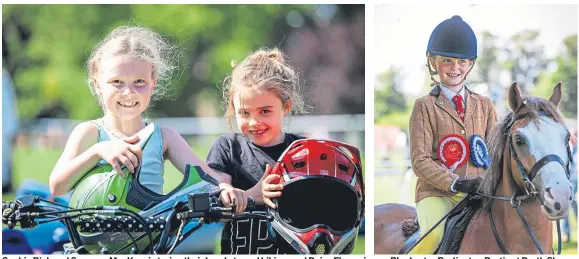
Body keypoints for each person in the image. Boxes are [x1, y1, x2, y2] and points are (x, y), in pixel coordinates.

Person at [48, 25, 241, 204]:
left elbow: (206, 177)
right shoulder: (90, 133)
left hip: (150, 239)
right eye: (117, 82)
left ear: (152, 84)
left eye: (139, 81)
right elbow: (57, 186)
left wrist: (224, 187)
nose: (128, 91)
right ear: (98, 84)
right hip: (93, 240)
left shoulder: (163, 137)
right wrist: (98, 151)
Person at [408, 15, 498, 254]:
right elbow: (420, 161)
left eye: (461, 62)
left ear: (470, 65)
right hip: (437, 194)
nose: (454, 68)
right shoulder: (424, 107)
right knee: (432, 237)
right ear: (433, 62)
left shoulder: (485, 105)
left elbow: (495, 152)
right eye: (446, 61)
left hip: (479, 194)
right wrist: (456, 182)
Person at [206, 48, 307, 254]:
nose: (254, 122)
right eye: (244, 113)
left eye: (265, 111)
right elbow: (214, 203)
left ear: (286, 106)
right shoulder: (227, 148)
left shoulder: (303, 151)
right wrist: (253, 195)